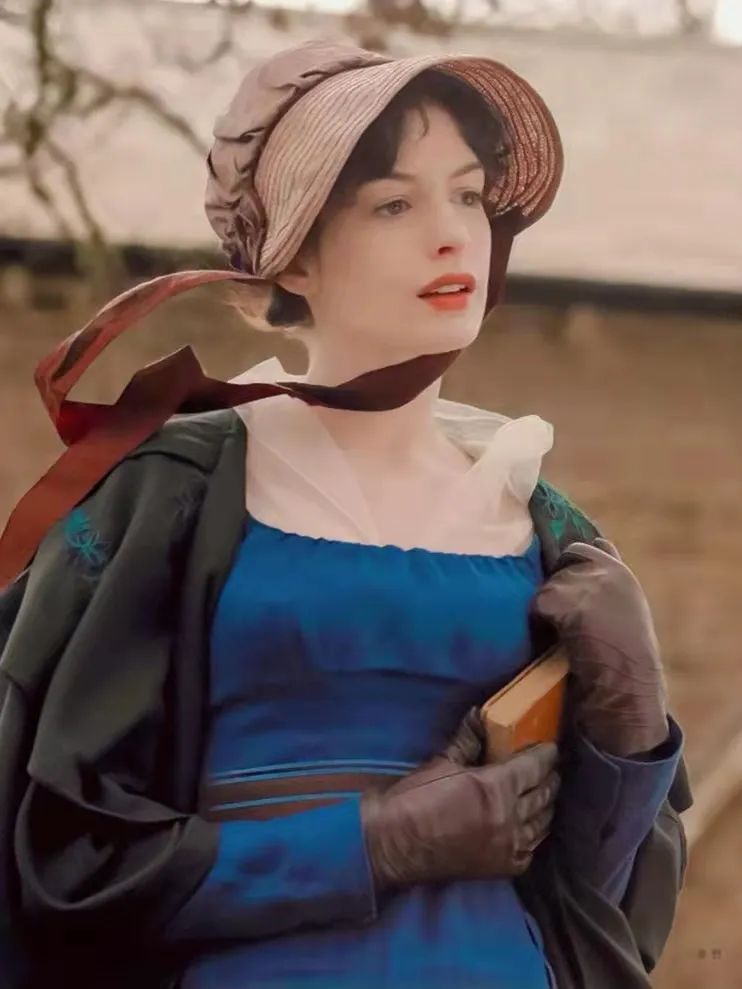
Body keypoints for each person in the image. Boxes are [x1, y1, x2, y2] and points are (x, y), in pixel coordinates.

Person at [0, 40, 690, 989]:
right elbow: (64, 860)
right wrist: (375, 843)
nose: (453, 236)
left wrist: (633, 727)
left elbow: (605, 910)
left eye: (469, 196)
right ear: (294, 257)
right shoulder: (172, 493)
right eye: (394, 205)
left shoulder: (548, 531)